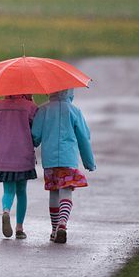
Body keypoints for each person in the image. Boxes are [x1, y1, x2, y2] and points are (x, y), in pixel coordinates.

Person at [31, 89, 95, 244]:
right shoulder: (74, 111)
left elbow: (35, 136)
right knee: (66, 191)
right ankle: (62, 225)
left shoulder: (43, 109)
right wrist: (89, 161)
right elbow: (83, 138)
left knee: (53, 192)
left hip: (50, 160)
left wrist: (36, 141)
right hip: (68, 159)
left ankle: (54, 230)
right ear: (70, 92)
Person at [0, 94, 38, 239]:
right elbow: (35, 132)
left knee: (8, 190)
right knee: (22, 192)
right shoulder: (29, 107)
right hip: (22, 155)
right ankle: (19, 228)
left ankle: (6, 210)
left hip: (4, 156)